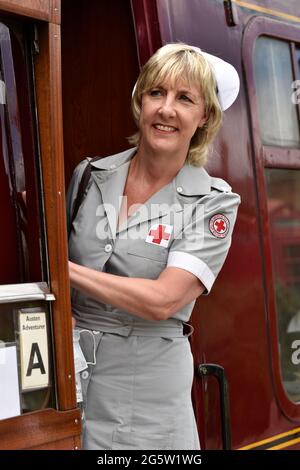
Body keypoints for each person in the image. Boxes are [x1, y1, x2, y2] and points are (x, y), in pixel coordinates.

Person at [67, 42, 241, 450]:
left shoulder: (214, 202)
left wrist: (60, 268)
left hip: (148, 412)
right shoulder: (88, 176)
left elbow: (163, 300)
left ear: (205, 117)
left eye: (185, 99)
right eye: (156, 93)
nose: (166, 109)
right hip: (70, 394)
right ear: (139, 102)